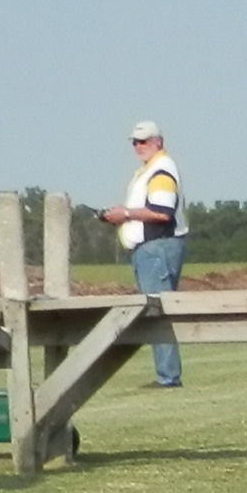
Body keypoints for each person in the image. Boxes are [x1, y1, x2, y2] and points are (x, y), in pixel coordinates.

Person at [102, 120, 187, 389]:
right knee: (155, 310)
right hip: (150, 250)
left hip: (157, 248)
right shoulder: (149, 170)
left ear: (158, 142)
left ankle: (168, 376)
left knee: (157, 311)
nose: (139, 146)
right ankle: (166, 374)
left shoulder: (160, 170)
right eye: (135, 142)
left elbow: (162, 212)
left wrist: (124, 214)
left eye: (145, 141)